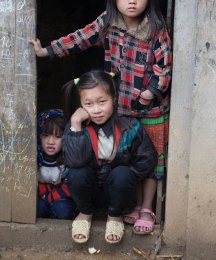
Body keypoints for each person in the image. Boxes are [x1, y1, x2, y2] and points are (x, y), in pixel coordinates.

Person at [29, 0, 172, 235]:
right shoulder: (108, 23)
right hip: (118, 109)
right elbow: (81, 37)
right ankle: (123, 208)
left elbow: (164, 66)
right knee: (123, 159)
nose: (132, 0)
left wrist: (153, 91)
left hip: (150, 108)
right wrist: (47, 51)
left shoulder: (156, 29)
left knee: (151, 160)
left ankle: (146, 208)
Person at [61, 70, 157, 244]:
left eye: (102, 102)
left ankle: (114, 216)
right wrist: (75, 125)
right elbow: (74, 161)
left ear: (114, 98)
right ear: (81, 105)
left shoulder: (129, 126)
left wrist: (124, 177)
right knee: (76, 172)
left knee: (123, 173)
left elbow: (147, 159)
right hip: (87, 193)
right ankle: (85, 213)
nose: (96, 110)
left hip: (118, 194)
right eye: (88, 104)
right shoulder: (76, 126)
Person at [36, 109, 76, 220]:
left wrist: (48, 197)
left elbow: (68, 187)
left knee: (63, 209)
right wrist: (44, 194)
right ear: (39, 136)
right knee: (35, 207)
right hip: (40, 198)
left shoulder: (68, 160)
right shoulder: (33, 159)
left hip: (61, 199)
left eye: (58, 137)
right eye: (46, 135)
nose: (51, 141)